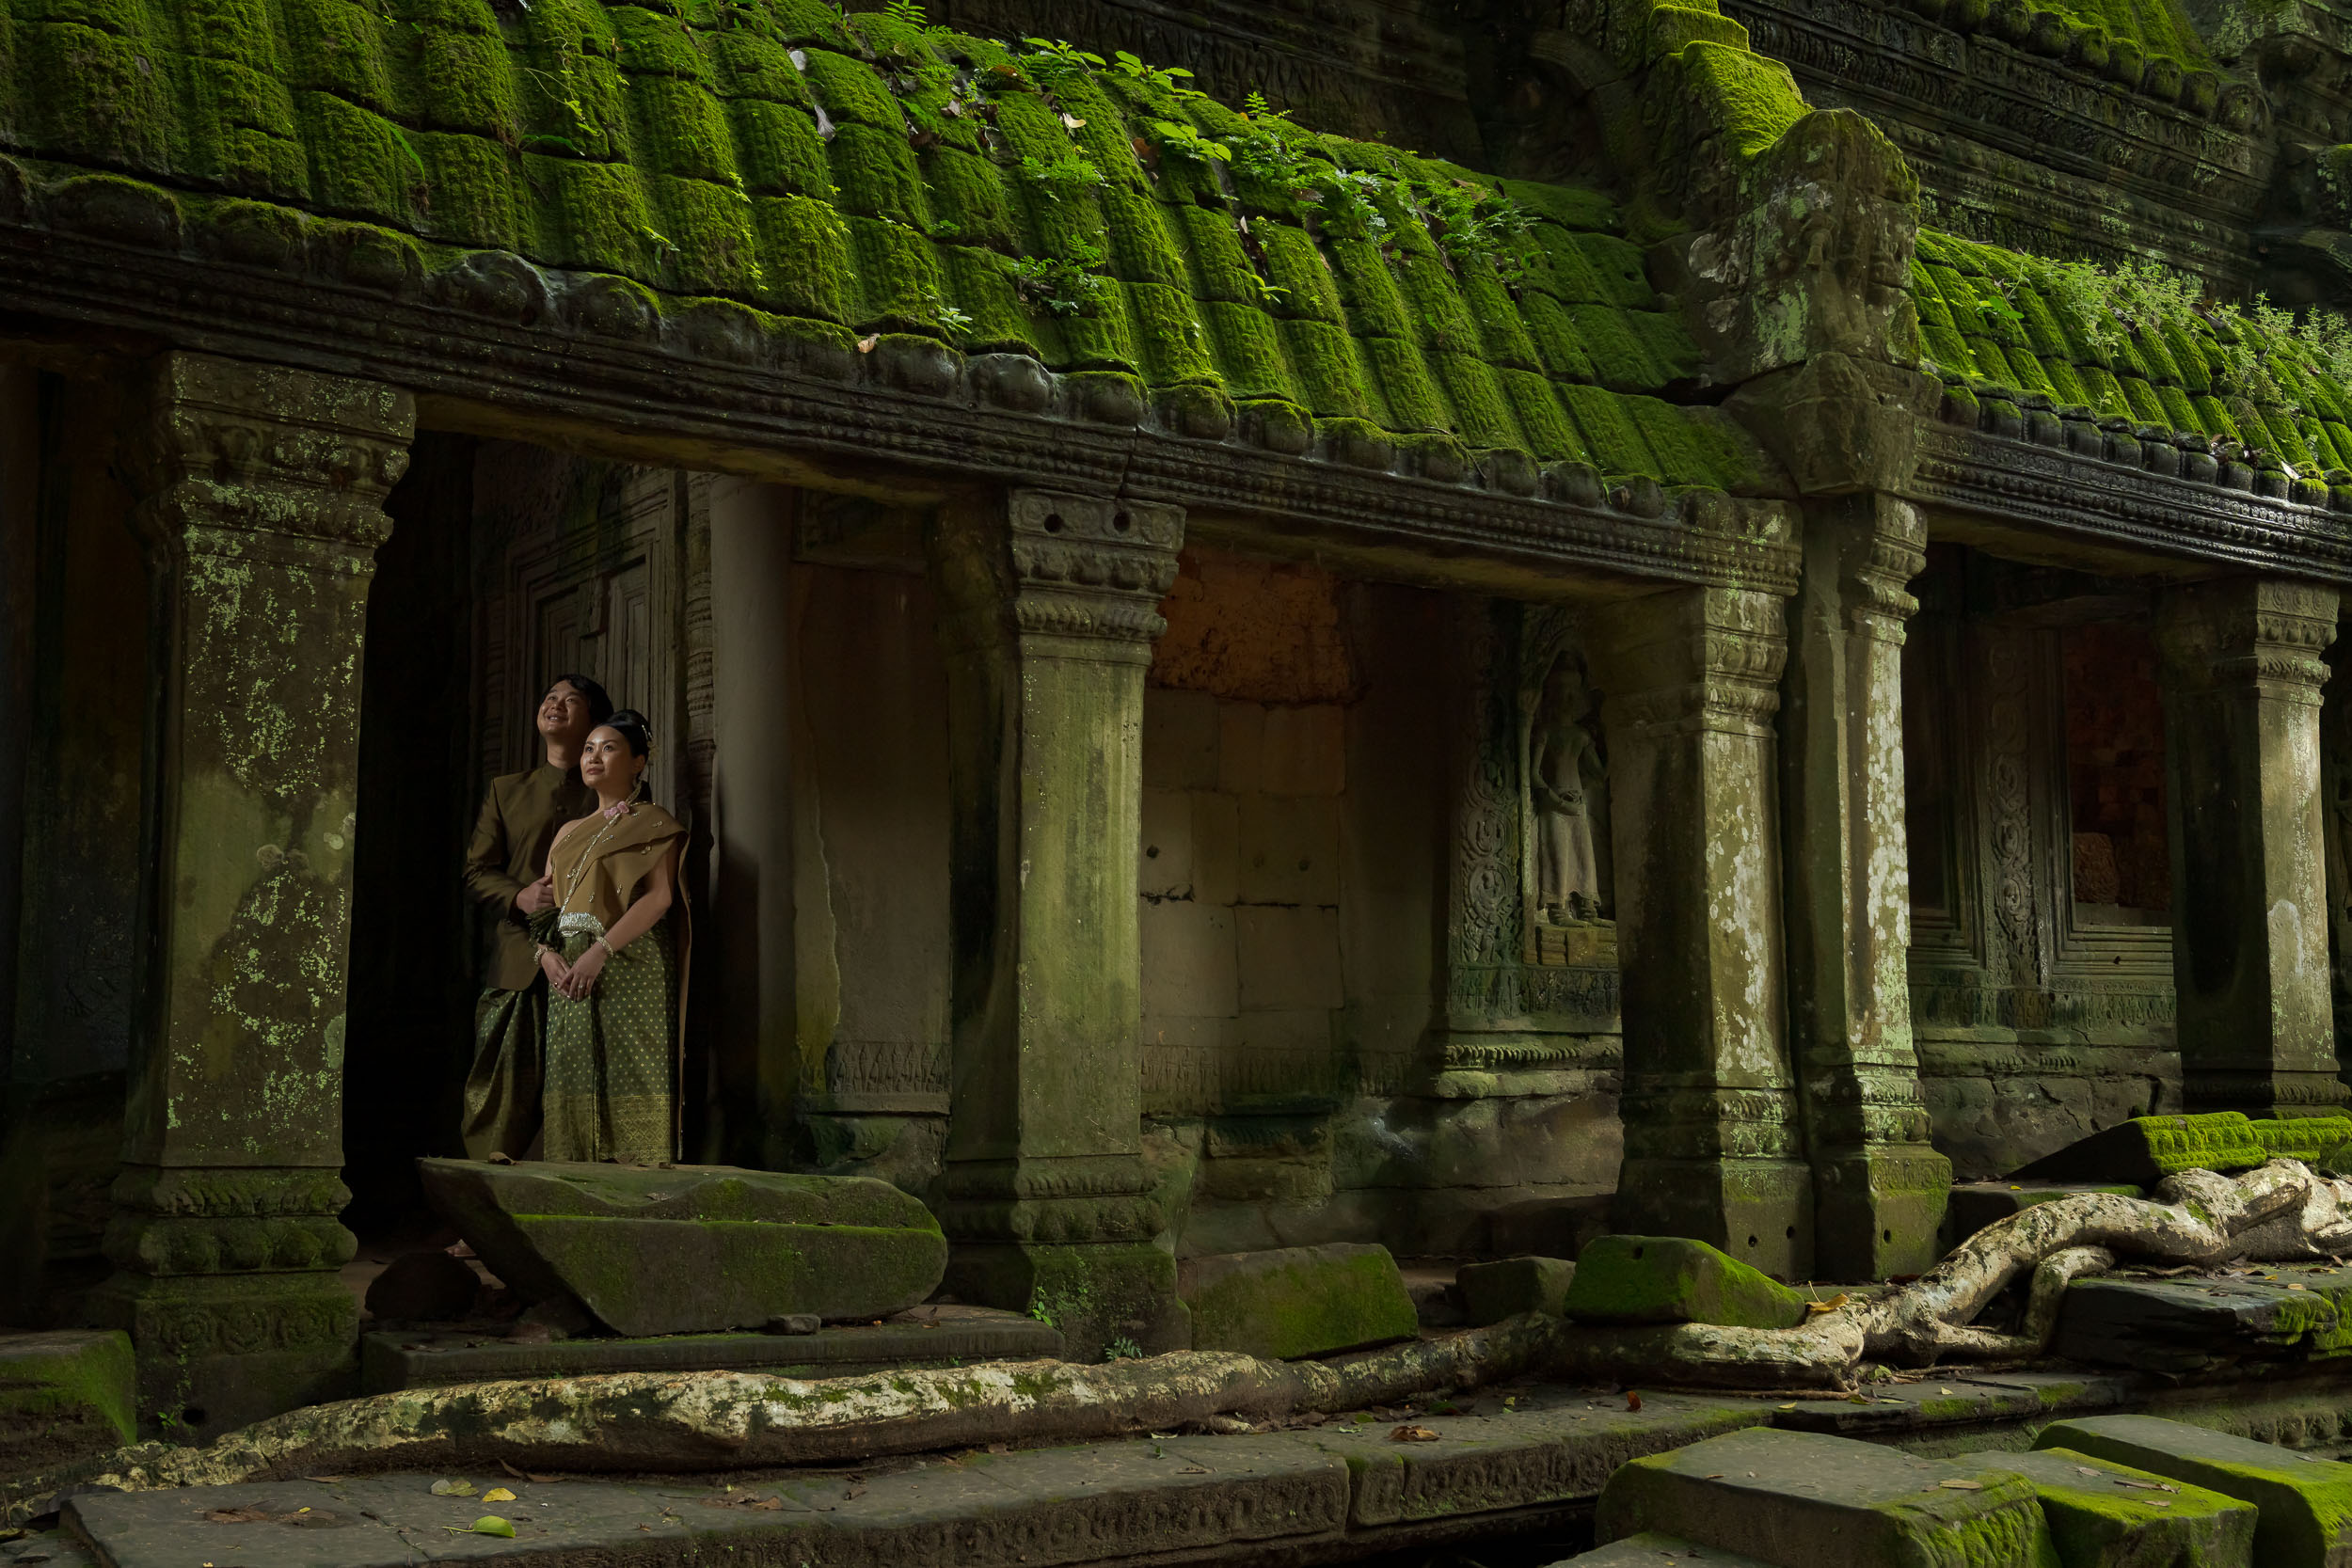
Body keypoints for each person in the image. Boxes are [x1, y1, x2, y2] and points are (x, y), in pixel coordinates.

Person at [459, 674, 612, 1159]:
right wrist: (519, 896)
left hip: (589, 964)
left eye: (572, 701)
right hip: (517, 960)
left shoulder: (616, 798)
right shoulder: (507, 790)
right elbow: (475, 871)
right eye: (549, 697)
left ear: (595, 722)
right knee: (499, 1095)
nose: (555, 705)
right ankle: (483, 1216)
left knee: (577, 1097)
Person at [535, 709, 687, 1164]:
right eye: (587, 748)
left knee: (631, 1071)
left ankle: (640, 1194)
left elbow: (660, 898)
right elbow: (545, 908)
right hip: (567, 972)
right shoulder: (567, 832)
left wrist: (600, 951)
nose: (593, 757)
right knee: (572, 1074)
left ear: (638, 762)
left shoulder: (655, 821)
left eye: (608, 747)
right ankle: (571, 1187)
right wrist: (545, 955)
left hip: (629, 964)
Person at [1532, 658, 1606, 923]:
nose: (1567, 698)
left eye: (1572, 692)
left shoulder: (1581, 735)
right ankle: (1557, 907)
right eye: (1560, 691)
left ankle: (1587, 907)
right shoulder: (1546, 732)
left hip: (1577, 802)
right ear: (1550, 695)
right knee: (1558, 855)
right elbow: (1533, 775)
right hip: (1555, 803)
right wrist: (1556, 802)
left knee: (1584, 856)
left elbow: (1600, 774)